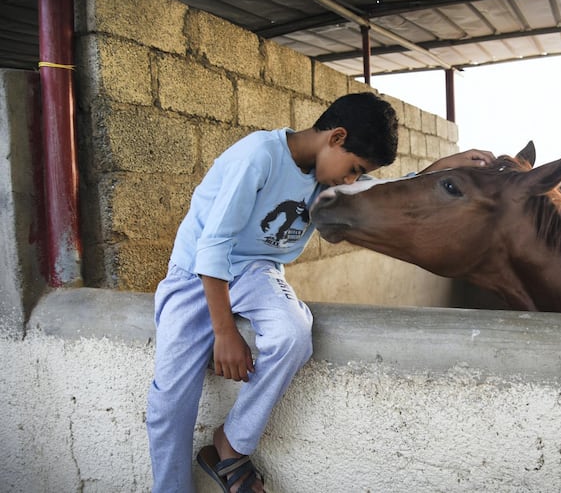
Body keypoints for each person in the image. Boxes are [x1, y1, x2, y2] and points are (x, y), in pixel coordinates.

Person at [145, 91, 495, 493]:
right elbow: (213, 246)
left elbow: (383, 193)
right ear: (337, 137)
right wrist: (224, 332)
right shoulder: (258, 156)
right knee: (170, 400)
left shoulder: (327, 174)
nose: (351, 181)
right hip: (196, 273)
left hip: (257, 270)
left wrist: (443, 168)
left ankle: (232, 442)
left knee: (293, 333)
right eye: (353, 169)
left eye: (357, 175)